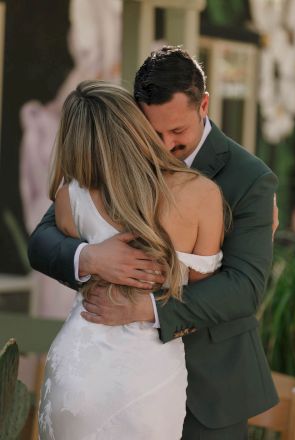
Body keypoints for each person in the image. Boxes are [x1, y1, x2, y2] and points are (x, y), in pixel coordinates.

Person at [29, 46, 279, 439]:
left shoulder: (250, 178)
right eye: (152, 131)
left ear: (204, 105)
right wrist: (90, 257)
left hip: (210, 389)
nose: (162, 145)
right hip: (110, 377)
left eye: (177, 132)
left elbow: (245, 288)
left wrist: (146, 308)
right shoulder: (113, 158)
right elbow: (43, 241)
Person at [37, 80, 225, 439]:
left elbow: (51, 247)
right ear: (135, 125)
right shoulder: (201, 194)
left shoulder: (68, 198)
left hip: (75, 363)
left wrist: (91, 257)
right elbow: (203, 298)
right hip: (146, 371)